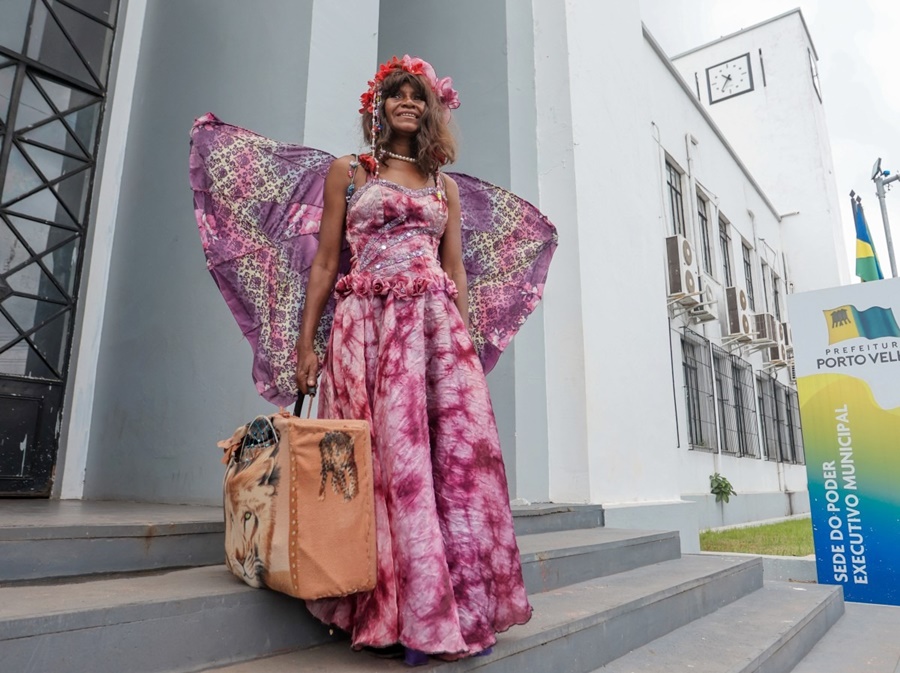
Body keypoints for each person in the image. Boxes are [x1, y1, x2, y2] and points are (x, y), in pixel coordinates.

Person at [293, 56, 533, 665]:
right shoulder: (351, 172)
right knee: (379, 462)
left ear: (430, 110)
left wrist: (465, 344)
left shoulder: (442, 184)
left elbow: (455, 270)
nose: (408, 103)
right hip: (366, 330)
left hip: (432, 332)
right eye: (396, 94)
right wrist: (306, 343)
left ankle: (434, 607)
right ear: (378, 106)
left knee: (443, 465)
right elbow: (326, 262)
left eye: (418, 96)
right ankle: (384, 607)